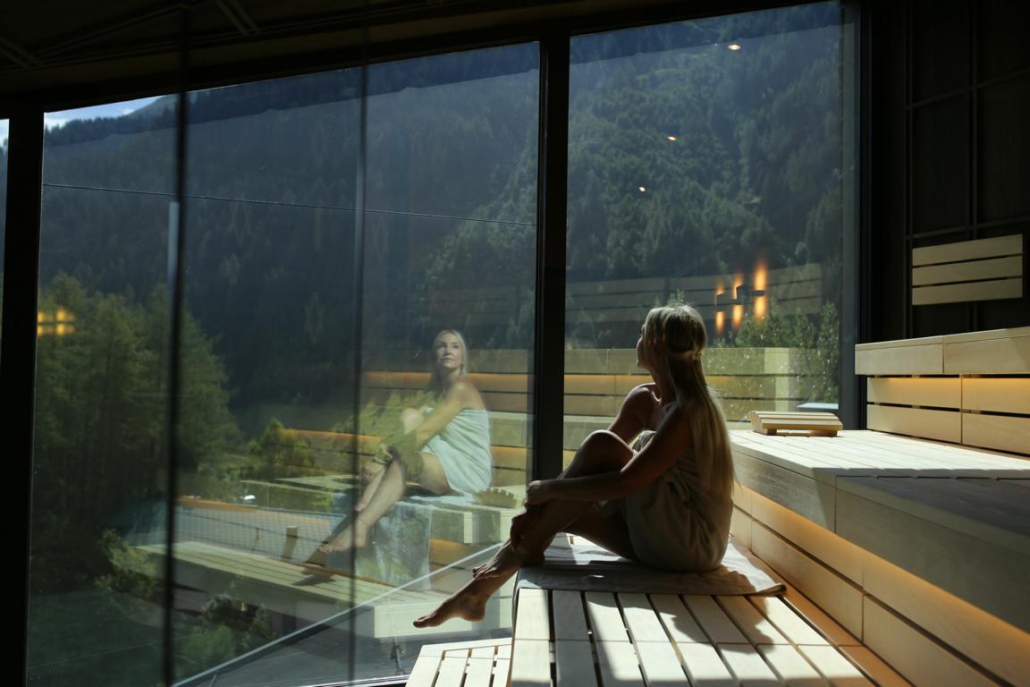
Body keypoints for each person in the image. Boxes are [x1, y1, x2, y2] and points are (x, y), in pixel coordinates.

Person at [414, 304, 734, 628]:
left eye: (641, 334)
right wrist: (538, 510)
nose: (636, 340)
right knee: (570, 511)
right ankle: (484, 586)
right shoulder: (644, 400)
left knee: (597, 449)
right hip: (660, 539)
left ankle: (491, 577)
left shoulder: (688, 413)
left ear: (654, 345)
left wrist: (549, 490)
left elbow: (625, 480)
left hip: (693, 545)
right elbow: (589, 468)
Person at [312, 330, 493, 560]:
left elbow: (425, 432)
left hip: (468, 467)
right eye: (441, 346)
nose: (448, 350)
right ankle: (369, 497)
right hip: (444, 456)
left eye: (455, 346)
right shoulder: (435, 392)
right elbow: (409, 428)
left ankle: (362, 525)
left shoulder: (462, 388)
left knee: (406, 457)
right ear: (434, 354)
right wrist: (383, 452)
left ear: (463, 357)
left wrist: (379, 459)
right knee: (410, 415)